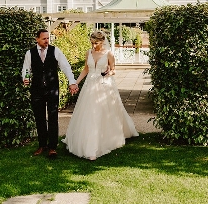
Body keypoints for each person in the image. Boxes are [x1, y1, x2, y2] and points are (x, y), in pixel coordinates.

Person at [63, 30, 138, 160]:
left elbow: (114, 70)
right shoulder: (89, 52)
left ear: (102, 41)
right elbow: (86, 69)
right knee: (90, 113)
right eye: (92, 43)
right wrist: (76, 82)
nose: (93, 46)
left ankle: (103, 140)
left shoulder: (109, 54)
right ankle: (88, 143)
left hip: (105, 86)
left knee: (103, 112)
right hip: (89, 86)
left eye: (96, 43)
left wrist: (109, 73)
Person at [21, 29, 78, 159]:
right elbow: (26, 69)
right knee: (39, 117)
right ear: (37, 39)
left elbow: (65, 67)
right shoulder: (29, 53)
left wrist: (72, 82)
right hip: (36, 89)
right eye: (44, 39)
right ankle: (42, 145)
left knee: (53, 116)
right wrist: (25, 78)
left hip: (52, 89)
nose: (47, 41)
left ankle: (52, 147)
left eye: (48, 38)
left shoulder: (55, 51)